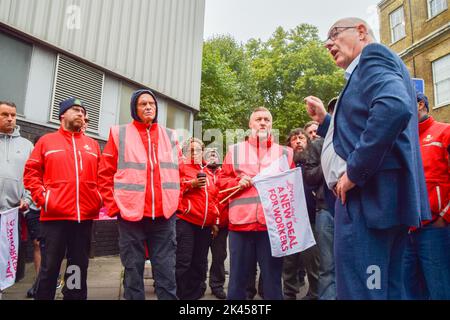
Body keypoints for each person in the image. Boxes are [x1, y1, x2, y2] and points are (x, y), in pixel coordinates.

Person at [304, 17, 430, 299]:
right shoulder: (370, 68)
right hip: (383, 203)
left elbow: (393, 108)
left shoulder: (373, 56)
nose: (328, 43)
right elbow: (358, 128)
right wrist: (326, 121)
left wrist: (354, 172)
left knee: (363, 291)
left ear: (361, 31)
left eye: (334, 34)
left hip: (368, 200)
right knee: (388, 289)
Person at [98, 89, 181, 300]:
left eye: (151, 103)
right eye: (142, 104)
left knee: (166, 272)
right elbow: (104, 174)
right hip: (130, 215)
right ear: (134, 109)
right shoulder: (119, 133)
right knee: (133, 271)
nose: (148, 107)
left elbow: (179, 172)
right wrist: (114, 207)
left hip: (164, 216)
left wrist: (175, 204)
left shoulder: (170, 135)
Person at [23, 98, 102, 300]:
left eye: (83, 111)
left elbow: (103, 176)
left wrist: (98, 197)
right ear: (62, 114)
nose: (81, 114)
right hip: (53, 218)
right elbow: (31, 173)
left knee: (77, 267)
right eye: (75, 110)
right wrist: (44, 199)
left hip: (83, 218)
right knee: (49, 268)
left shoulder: (92, 145)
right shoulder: (46, 142)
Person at [221, 107, 294, 300]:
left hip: (271, 226)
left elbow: (292, 188)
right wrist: (237, 182)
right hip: (240, 225)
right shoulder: (234, 151)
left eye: (267, 120)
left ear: (271, 124)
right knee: (237, 281)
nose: (262, 123)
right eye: (258, 119)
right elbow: (220, 182)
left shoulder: (285, 153)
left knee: (272, 281)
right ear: (250, 125)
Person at [402, 92, 450, 299]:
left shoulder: (445, 132)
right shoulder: (402, 141)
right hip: (405, 232)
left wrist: (445, 216)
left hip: (435, 229)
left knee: (440, 289)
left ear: (420, 104)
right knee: (408, 291)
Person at [176, 139, 219, 300]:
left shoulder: (208, 171)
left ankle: (195, 294)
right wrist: (190, 184)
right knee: (183, 260)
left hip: (205, 225)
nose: (195, 154)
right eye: (191, 150)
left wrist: (215, 221)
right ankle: (180, 293)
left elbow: (214, 198)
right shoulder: (181, 168)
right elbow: (173, 188)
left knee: (200, 262)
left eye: (198, 150)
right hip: (186, 220)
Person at [0, 101, 33, 298]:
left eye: (13, 115)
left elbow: (33, 176)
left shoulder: (26, 145)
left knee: (5, 258)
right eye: (5, 114)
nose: (10, 118)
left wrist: (27, 198)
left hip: (11, 213)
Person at [283, 128, 319, 300]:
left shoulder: (314, 162)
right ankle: (289, 293)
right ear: (289, 144)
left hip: (312, 218)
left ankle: (314, 293)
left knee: (312, 261)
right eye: (294, 139)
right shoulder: (284, 165)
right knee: (289, 261)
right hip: (290, 219)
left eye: (301, 138)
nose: (298, 141)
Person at [204, 147, 229, 300]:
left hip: (223, 223)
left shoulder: (225, 174)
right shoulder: (200, 173)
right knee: (199, 257)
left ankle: (217, 285)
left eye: (216, 153)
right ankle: (199, 284)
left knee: (219, 256)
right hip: (203, 223)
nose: (213, 155)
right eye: (209, 153)